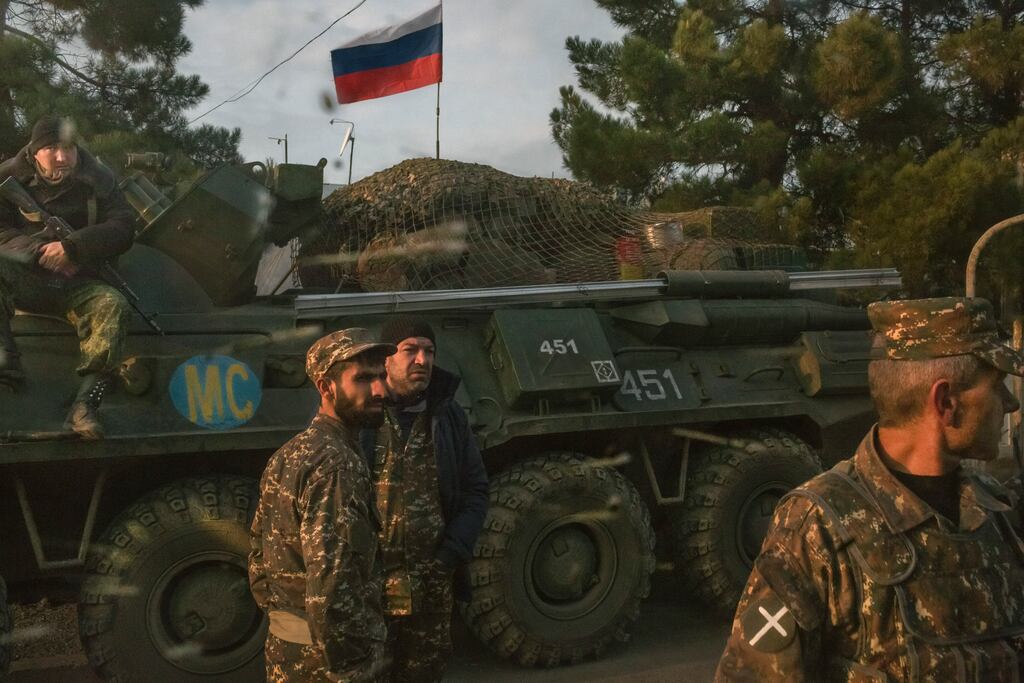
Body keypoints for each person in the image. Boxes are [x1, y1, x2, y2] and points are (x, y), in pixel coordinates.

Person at [715, 297, 1024, 682]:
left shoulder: (996, 511)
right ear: (946, 402)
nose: (1010, 404)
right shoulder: (818, 530)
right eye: (997, 387)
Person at [249, 328, 396, 682]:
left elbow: (258, 556)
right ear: (325, 387)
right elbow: (333, 583)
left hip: (289, 649)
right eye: (363, 379)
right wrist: (348, 668)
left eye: (381, 377)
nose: (380, 390)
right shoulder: (337, 465)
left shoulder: (290, 453)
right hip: (327, 660)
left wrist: (288, 624)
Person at [360, 316, 489, 682]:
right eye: (410, 350)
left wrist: (450, 554)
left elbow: (476, 488)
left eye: (429, 351)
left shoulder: (447, 416)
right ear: (387, 358)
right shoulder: (362, 414)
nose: (422, 360)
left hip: (431, 586)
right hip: (371, 588)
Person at [0, 115, 135, 439]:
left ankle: (84, 405)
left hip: (78, 281)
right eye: (51, 149)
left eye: (68, 148)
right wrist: (39, 253)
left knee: (112, 304)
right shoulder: (6, 179)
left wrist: (73, 248)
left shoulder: (99, 179)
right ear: (34, 152)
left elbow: (124, 226)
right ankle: (6, 375)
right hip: (24, 278)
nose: (61, 157)